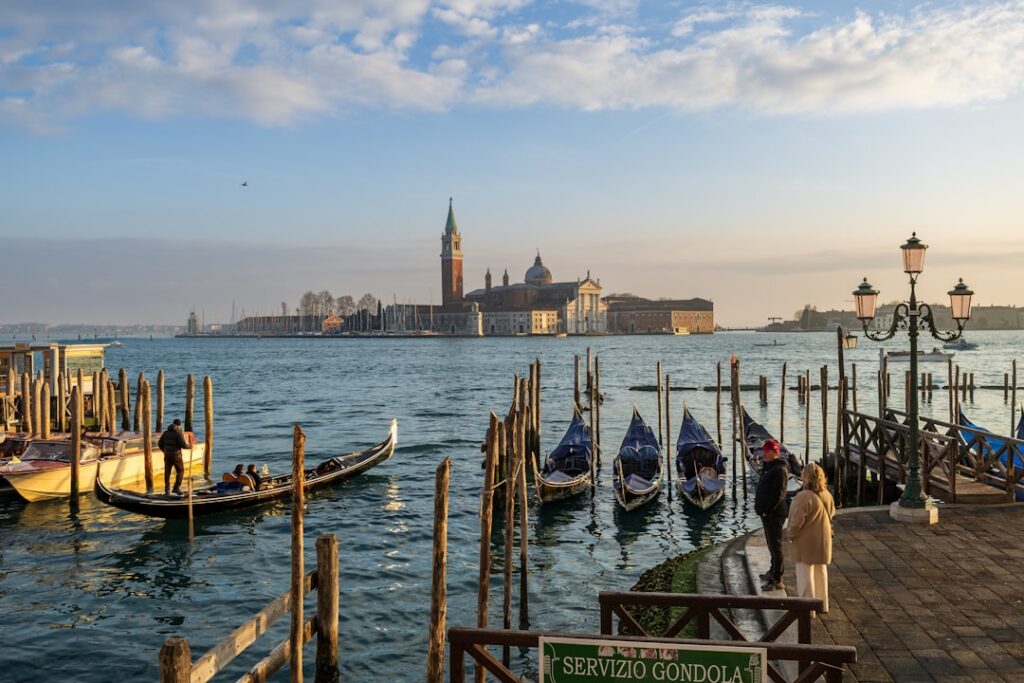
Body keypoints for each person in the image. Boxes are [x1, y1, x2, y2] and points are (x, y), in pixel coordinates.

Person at [786, 463, 835, 614]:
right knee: (820, 572)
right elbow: (832, 513)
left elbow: (795, 523)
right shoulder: (827, 494)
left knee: (805, 575)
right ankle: (822, 605)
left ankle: (807, 610)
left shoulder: (803, 497)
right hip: (823, 540)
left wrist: (790, 535)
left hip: (806, 542)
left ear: (805, 477)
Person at [754, 439, 789, 591]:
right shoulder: (769, 468)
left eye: (766, 451)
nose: (763, 454)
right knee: (770, 544)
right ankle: (772, 570)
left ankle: (777, 578)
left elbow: (778, 494)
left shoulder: (779, 470)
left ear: (774, 453)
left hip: (774, 514)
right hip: (767, 513)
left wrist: (768, 510)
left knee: (776, 546)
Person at [158, 419, 190, 495]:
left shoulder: (165, 433)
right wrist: (190, 446)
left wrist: (165, 451)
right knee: (180, 471)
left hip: (167, 456)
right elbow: (183, 445)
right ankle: (176, 488)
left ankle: (167, 490)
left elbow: (159, 444)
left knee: (167, 472)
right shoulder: (178, 433)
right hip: (176, 456)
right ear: (179, 426)